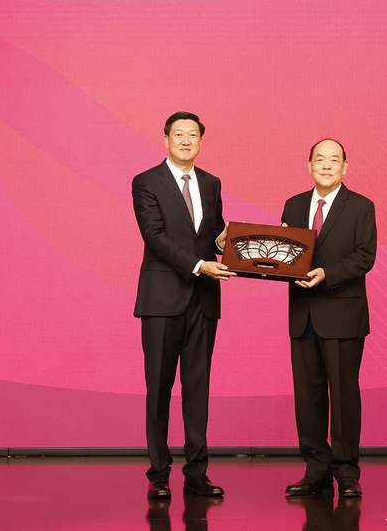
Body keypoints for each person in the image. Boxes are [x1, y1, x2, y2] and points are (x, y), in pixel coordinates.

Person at [132, 112, 233, 500]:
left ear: (201, 141)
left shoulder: (211, 182)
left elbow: (212, 235)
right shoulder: (147, 181)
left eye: (193, 134)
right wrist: (198, 265)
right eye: (179, 134)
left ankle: (197, 474)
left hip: (203, 300)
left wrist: (226, 242)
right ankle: (158, 473)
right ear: (166, 139)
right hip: (162, 299)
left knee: (197, 389)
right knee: (159, 389)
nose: (186, 140)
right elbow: (154, 236)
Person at [280, 138, 377, 499]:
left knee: (344, 395)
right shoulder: (293, 204)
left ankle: (347, 471)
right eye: (319, 159)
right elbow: (285, 255)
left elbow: (365, 256)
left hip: (343, 313)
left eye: (333, 160)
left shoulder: (361, 206)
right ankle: (316, 469)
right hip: (303, 314)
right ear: (309, 165)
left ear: (344, 167)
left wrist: (326, 274)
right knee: (308, 397)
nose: (326, 165)